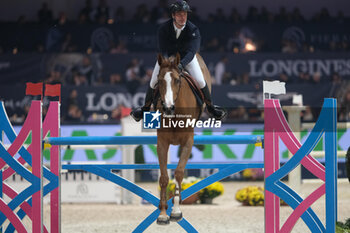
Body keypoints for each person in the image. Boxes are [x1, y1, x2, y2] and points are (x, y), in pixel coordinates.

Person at [131, 0, 226, 121]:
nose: (183, 17)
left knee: (201, 81)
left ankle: (211, 108)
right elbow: (162, 49)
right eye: (180, 14)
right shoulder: (163, 29)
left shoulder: (193, 30)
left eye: (185, 14)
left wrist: (181, 65)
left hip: (187, 58)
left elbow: (192, 52)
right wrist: (166, 62)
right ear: (173, 15)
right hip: (168, 58)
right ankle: (144, 109)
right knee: (153, 80)